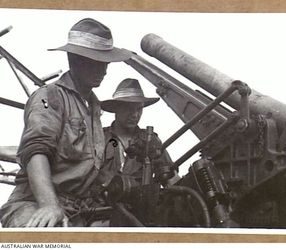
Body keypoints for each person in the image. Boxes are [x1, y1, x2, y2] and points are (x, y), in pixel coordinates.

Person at [0, 18, 132, 227]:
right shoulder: (49, 97)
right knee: (47, 238)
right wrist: (49, 205)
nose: (104, 70)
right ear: (75, 60)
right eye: (97, 62)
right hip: (34, 202)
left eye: (106, 63)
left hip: (79, 209)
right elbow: (35, 150)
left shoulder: (94, 109)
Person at [98, 78, 180, 226]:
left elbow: (172, 180)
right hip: (103, 214)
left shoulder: (151, 141)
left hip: (141, 217)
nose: (135, 114)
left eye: (139, 109)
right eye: (129, 108)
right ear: (116, 108)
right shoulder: (99, 138)